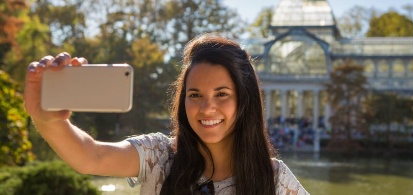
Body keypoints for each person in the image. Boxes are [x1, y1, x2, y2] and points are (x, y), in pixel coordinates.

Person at [24, 33, 309, 195]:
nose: (206, 108)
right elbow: (91, 156)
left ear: (244, 100)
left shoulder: (274, 179)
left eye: (222, 94)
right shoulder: (159, 156)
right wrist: (47, 118)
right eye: (194, 95)